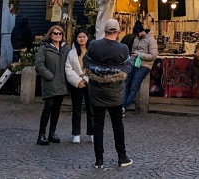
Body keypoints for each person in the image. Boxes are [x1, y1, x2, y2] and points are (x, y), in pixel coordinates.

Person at [85, 19, 133, 169]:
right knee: (117, 124)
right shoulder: (123, 48)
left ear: (105, 31)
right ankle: (122, 157)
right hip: (115, 93)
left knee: (98, 125)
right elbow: (128, 68)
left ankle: (99, 160)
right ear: (118, 32)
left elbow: (86, 63)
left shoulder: (94, 45)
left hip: (96, 91)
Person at [34, 23, 69, 146]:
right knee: (48, 108)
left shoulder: (66, 49)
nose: (58, 35)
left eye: (60, 33)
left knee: (57, 109)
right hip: (50, 83)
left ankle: (52, 133)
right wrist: (49, 76)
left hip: (62, 83)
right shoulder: (44, 48)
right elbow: (39, 65)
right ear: (50, 35)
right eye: (55, 33)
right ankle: (41, 134)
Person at [65, 30, 95, 142]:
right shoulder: (71, 53)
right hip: (77, 84)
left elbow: (95, 66)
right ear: (76, 38)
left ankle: (92, 132)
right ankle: (76, 133)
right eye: (79, 37)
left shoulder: (92, 51)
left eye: (84, 37)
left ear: (87, 38)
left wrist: (86, 78)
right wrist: (78, 81)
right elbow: (68, 68)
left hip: (90, 82)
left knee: (91, 109)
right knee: (76, 109)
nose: (82, 39)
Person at [121, 21, 157, 112]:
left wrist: (140, 55)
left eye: (137, 34)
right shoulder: (136, 39)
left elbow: (153, 56)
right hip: (134, 63)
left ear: (141, 31)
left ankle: (124, 107)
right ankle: (122, 106)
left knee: (133, 86)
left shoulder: (151, 40)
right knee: (126, 84)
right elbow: (134, 50)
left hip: (144, 65)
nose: (136, 36)